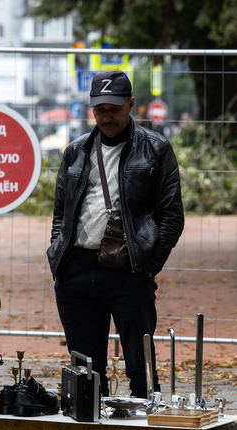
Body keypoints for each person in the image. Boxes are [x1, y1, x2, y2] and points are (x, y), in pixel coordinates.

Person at [47, 71, 184, 399]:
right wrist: (59, 258)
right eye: (100, 109)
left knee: (141, 365)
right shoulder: (76, 151)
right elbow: (60, 213)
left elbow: (171, 217)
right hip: (76, 271)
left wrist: (148, 267)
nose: (106, 116)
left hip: (130, 271)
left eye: (114, 108)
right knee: (85, 370)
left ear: (131, 104)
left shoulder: (155, 149)